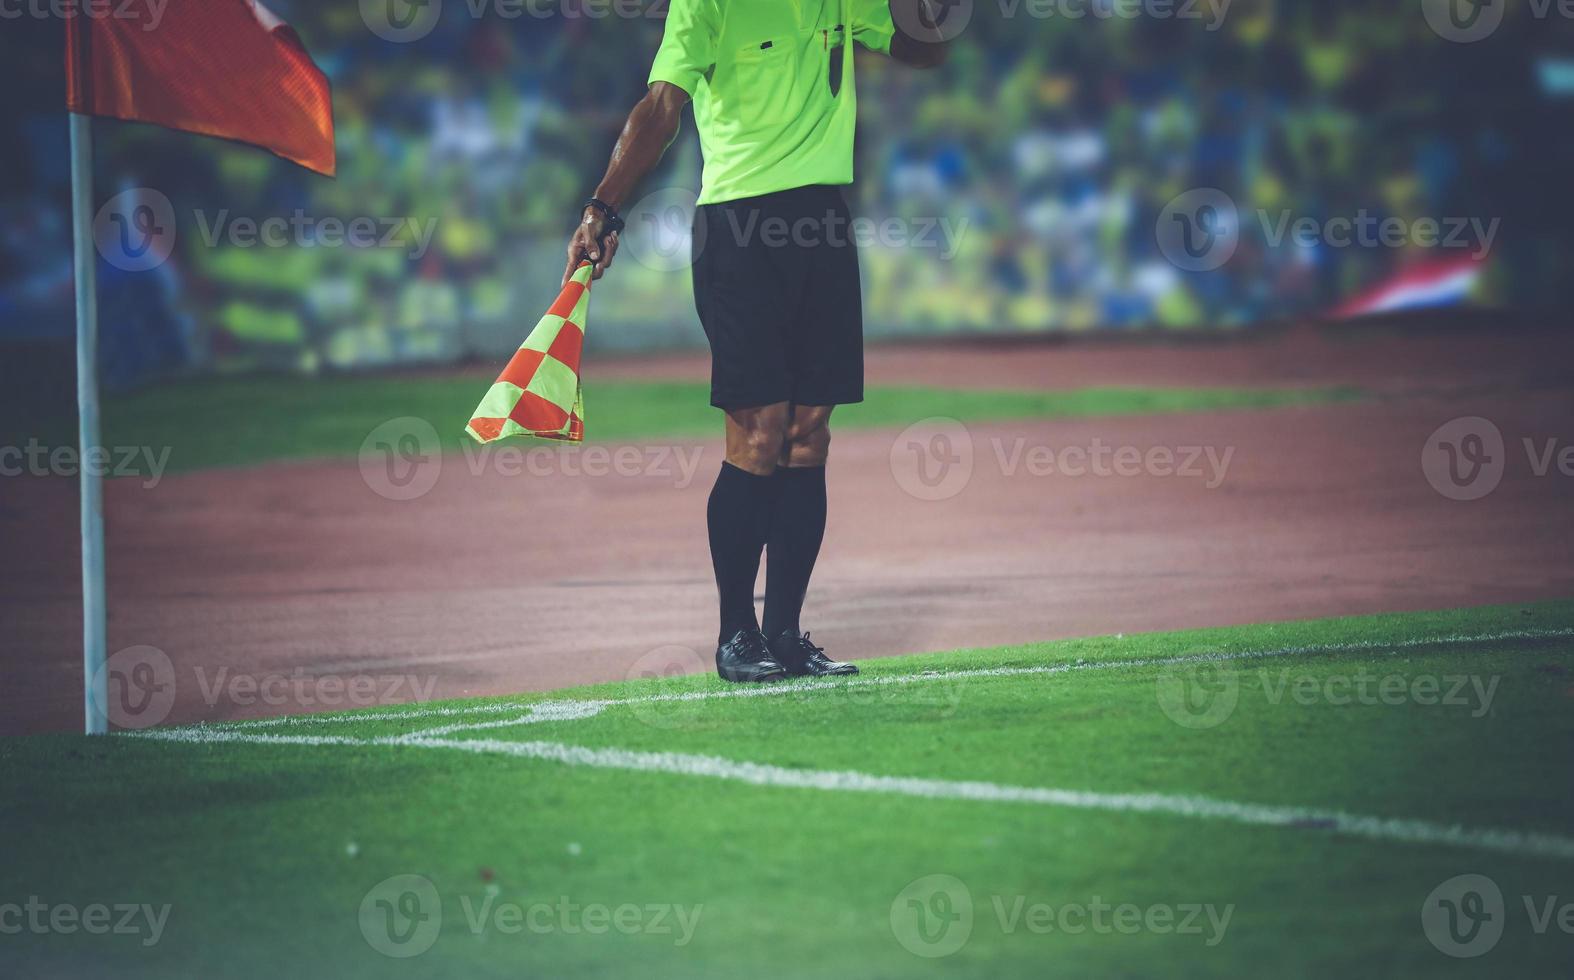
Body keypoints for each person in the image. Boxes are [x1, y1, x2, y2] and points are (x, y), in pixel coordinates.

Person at [564, 0, 951, 682]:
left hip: (823, 222)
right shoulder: (706, 4)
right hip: (739, 227)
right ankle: (736, 636)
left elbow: (926, 47)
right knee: (758, 429)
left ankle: (786, 634)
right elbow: (661, 107)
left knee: (809, 433)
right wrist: (603, 206)